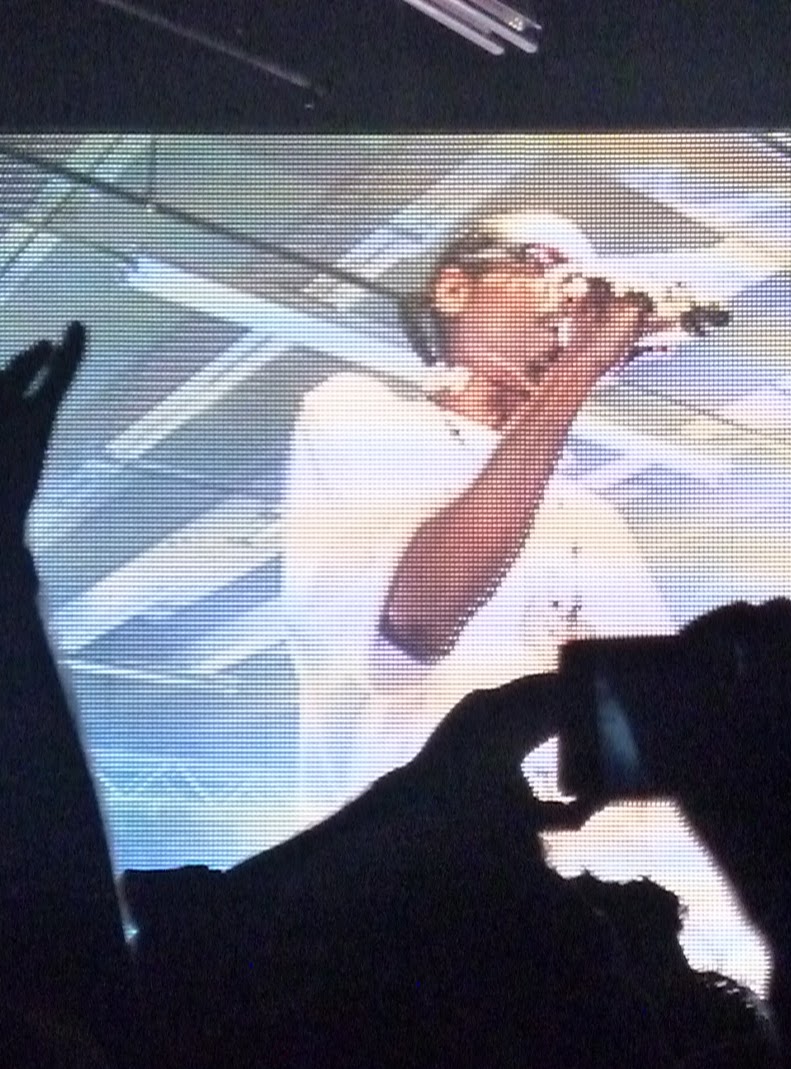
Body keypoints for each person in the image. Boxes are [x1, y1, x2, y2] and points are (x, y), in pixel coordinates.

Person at [281, 211, 671, 806]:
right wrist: (578, 370)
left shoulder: (590, 517)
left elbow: (657, 726)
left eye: (586, 288)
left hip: (567, 852)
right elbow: (421, 614)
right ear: (454, 290)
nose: (570, 303)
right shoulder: (358, 414)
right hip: (408, 846)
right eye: (546, 268)